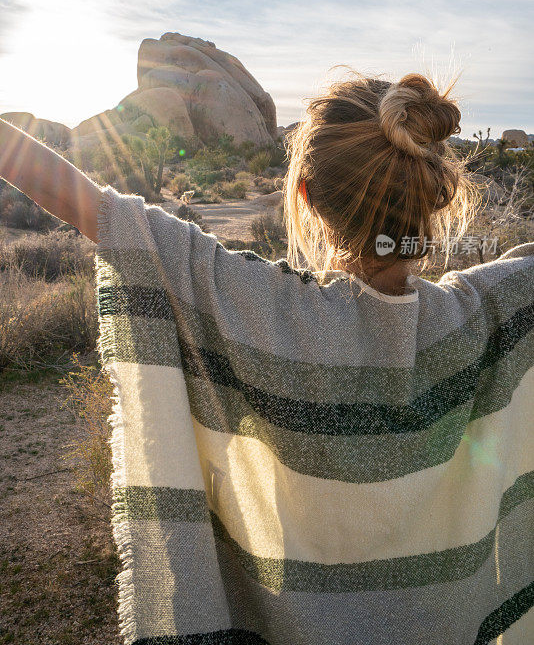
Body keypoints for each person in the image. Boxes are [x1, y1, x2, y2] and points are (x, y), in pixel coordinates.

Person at [0, 71, 532, 645]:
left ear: (304, 196)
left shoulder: (255, 307)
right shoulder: (494, 309)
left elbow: (76, 197)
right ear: (434, 191)